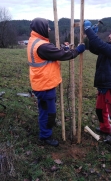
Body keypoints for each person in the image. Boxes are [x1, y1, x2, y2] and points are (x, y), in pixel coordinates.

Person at [27, 17, 85, 147]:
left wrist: (63, 49)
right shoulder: (42, 45)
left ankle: (46, 129)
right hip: (45, 84)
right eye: (47, 26)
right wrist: (77, 50)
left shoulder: (35, 41)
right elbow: (61, 55)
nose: (49, 29)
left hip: (41, 83)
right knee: (49, 112)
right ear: (41, 28)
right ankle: (46, 136)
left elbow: (53, 54)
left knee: (45, 109)